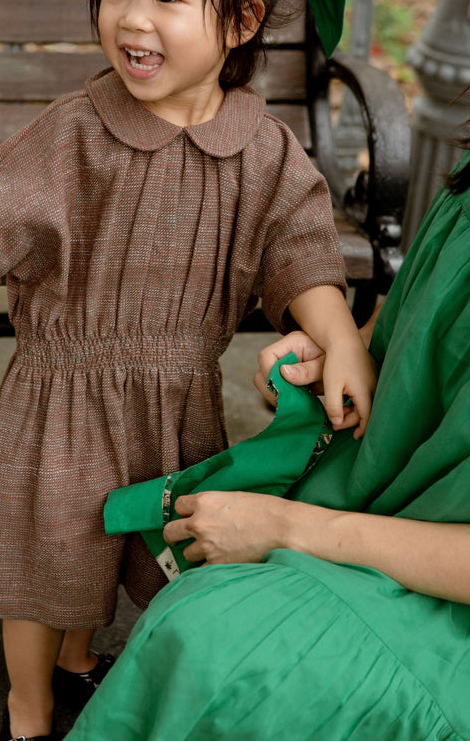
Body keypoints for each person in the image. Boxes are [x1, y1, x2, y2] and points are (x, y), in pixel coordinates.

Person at [0, 0, 376, 741]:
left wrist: (341, 338)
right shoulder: (78, 131)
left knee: (138, 541)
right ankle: (27, 711)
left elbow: (303, 253)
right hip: (64, 396)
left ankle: (78, 663)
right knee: (48, 557)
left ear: (241, 21)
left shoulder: (261, 147)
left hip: (177, 395)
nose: (132, 19)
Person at [66, 140, 470, 740]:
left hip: (442, 605)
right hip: (383, 503)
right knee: (198, 622)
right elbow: (423, 317)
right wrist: (345, 351)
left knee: (224, 649)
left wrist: (286, 528)